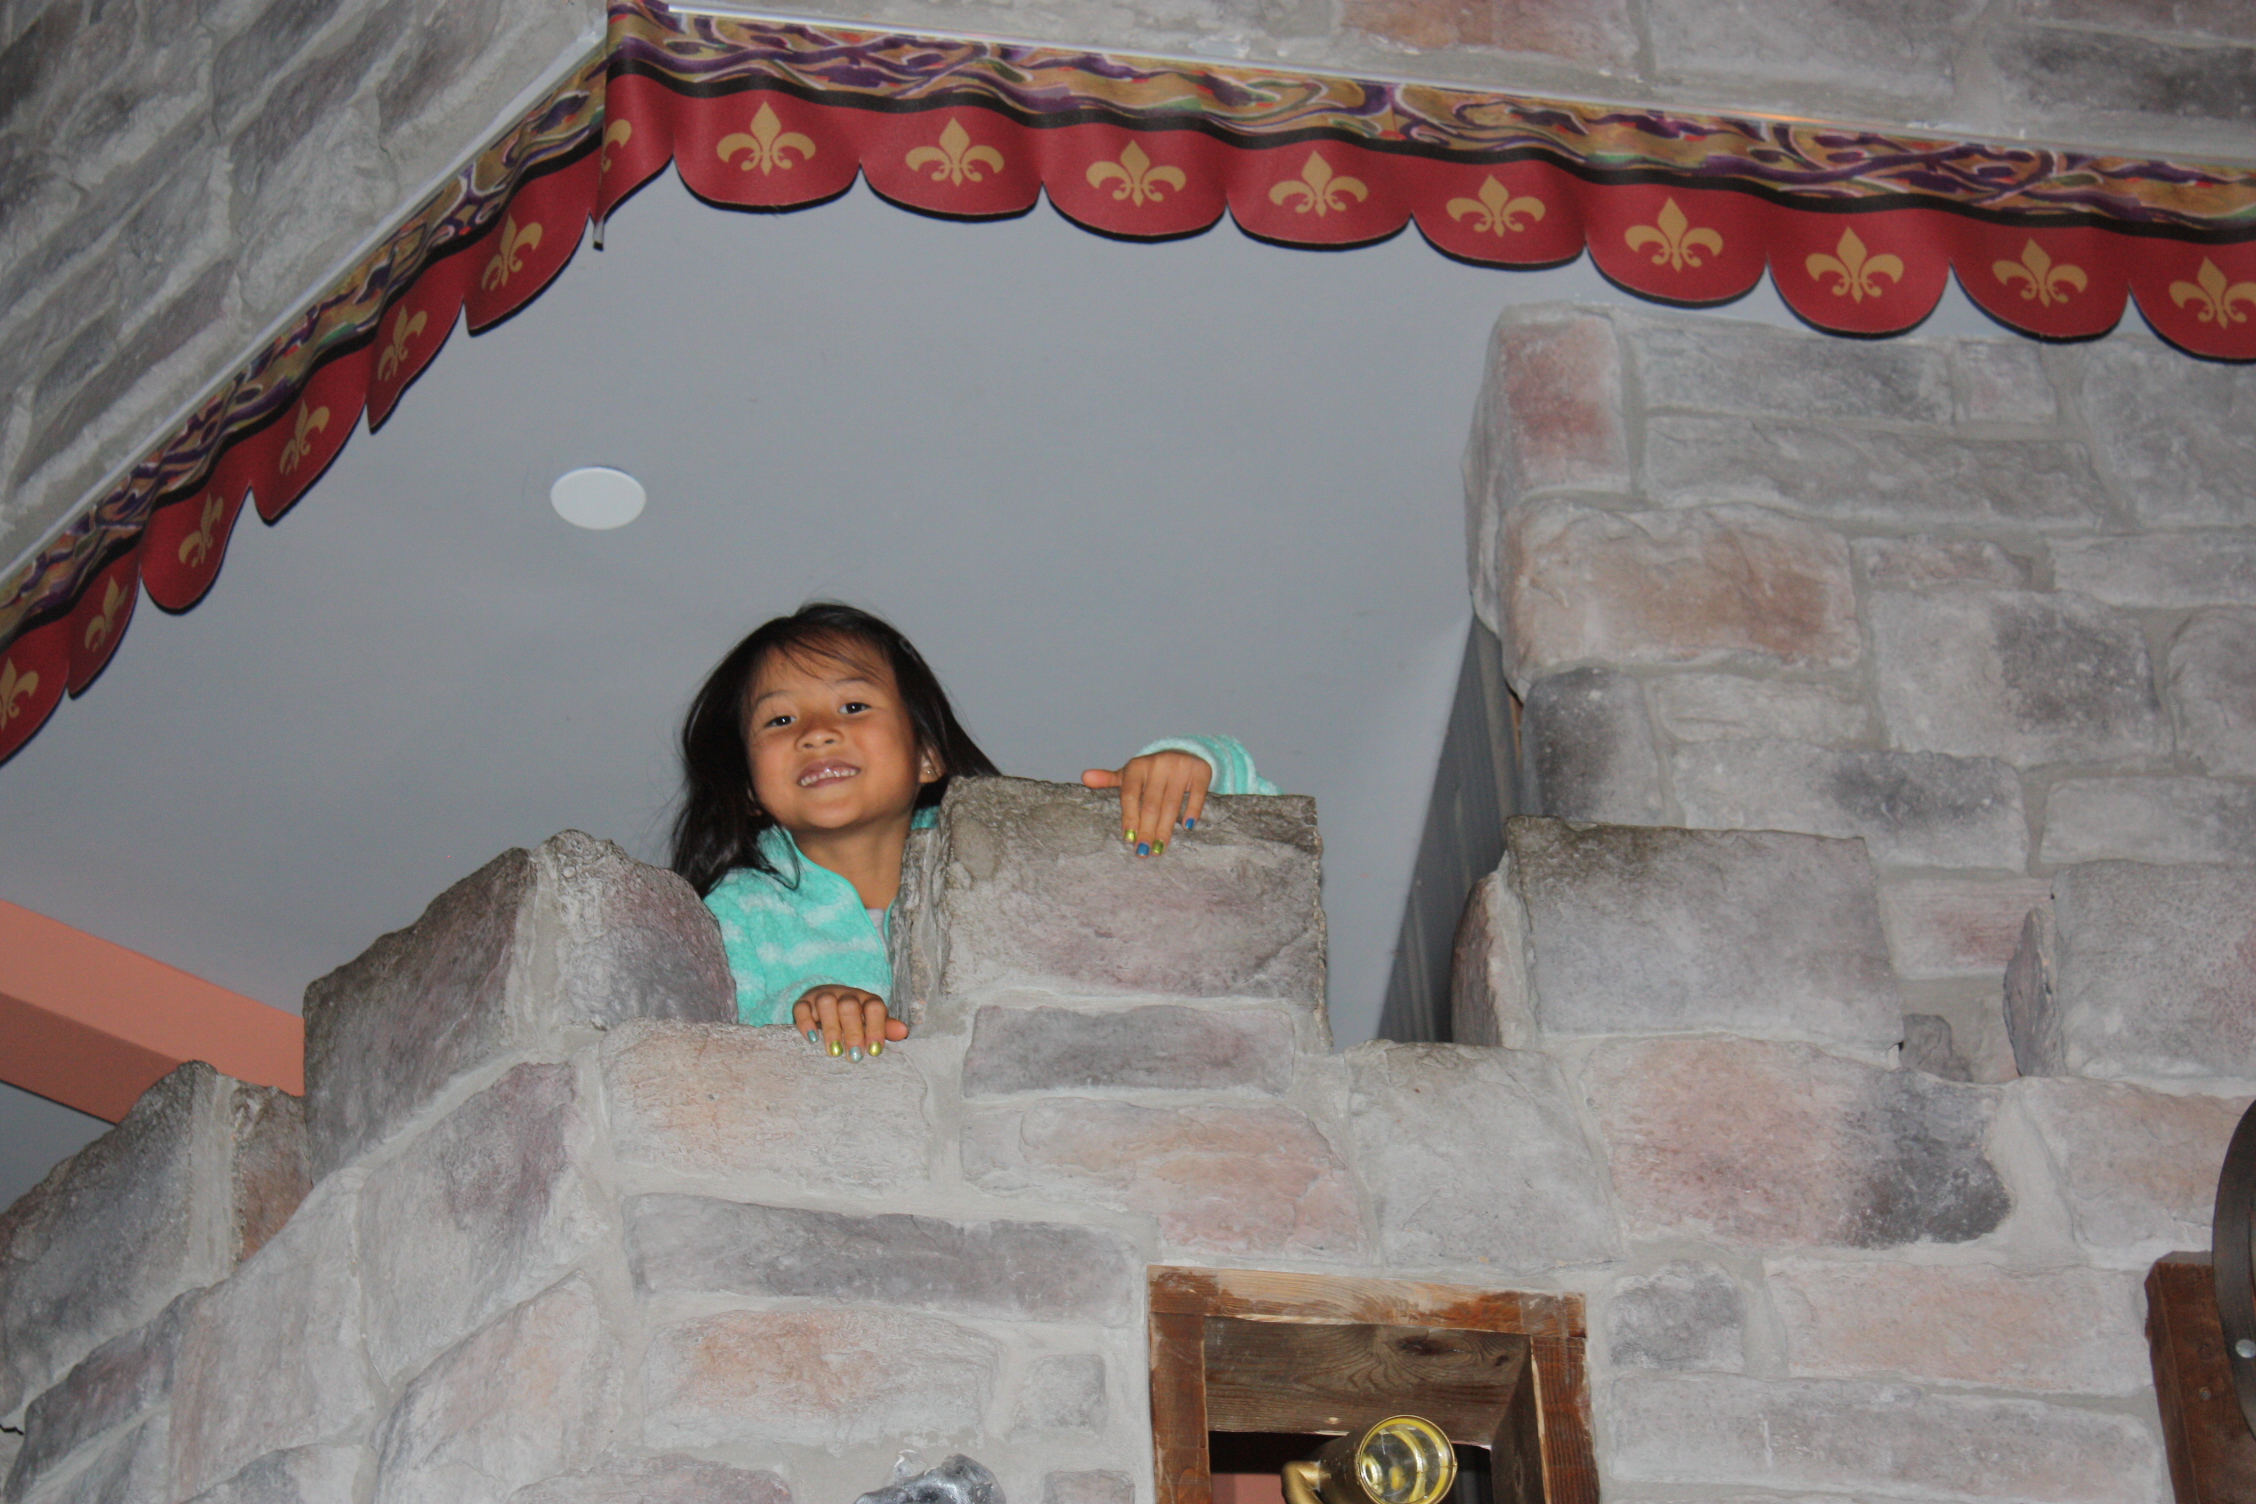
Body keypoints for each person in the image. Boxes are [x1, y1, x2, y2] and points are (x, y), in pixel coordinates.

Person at [670, 603, 1276, 1061]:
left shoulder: (1002, 863)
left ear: (927, 757)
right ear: (749, 789)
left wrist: (1185, 766)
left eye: (853, 707)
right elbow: (704, 1042)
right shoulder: (738, 911)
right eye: (780, 719)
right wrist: (805, 1005)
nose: (817, 732)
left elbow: (1262, 830)